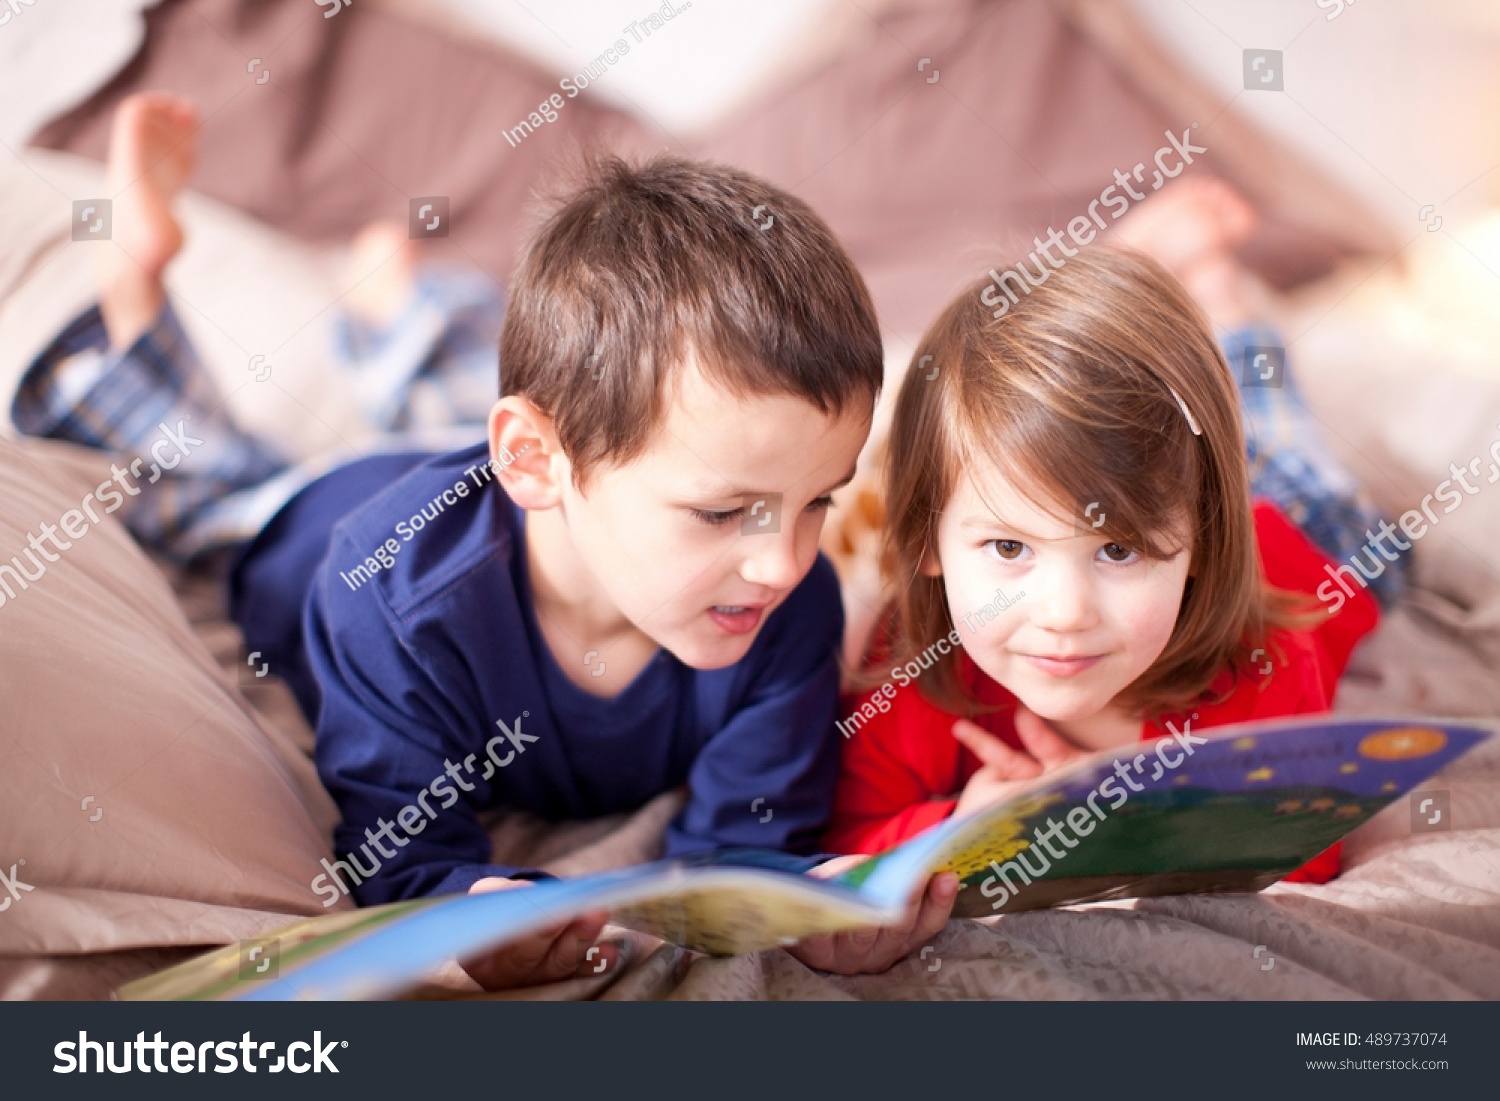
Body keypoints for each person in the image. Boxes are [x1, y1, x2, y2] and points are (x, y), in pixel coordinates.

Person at [10, 93, 954, 988]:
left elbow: (743, 853)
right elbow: (405, 856)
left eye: (818, 501)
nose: (785, 560)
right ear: (535, 464)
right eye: (722, 512)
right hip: (330, 501)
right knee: (196, 469)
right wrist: (470, 916)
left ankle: (391, 300)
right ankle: (137, 274)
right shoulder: (391, 599)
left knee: (467, 380)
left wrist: (802, 903)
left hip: (521, 466)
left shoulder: (786, 606)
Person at [825, 190, 1399, 886]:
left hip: (1313, 537)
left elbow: (1303, 853)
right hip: (1172, 483)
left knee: (1270, 419)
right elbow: (846, 841)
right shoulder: (909, 670)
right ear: (926, 542)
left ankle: (1219, 294)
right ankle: (1146, 276)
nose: (1065, 612)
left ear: (1202, 545)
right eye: (1009, 548)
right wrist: (960, 826)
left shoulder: (1264, 665)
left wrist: (1120, 807)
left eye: (1118, 550)